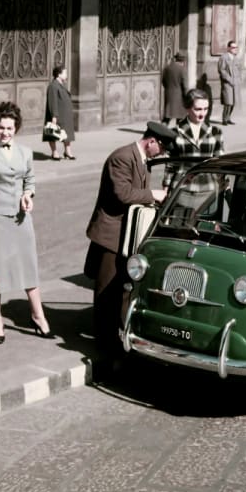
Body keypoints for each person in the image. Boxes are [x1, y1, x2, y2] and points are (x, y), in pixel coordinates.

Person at [84, 122, 176, 376]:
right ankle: (102, 344)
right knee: (106, 292)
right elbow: (122, 194)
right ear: (151, 141)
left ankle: (115, 340)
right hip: (110, 236)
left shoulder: (140, 158)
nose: (162, 153)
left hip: (125, 236)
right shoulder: (122, 157)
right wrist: (153, 194)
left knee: (121, 289)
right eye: (162, 148)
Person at [0, 101, 52, 344]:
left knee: (28, 266)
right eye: (1, 128)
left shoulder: (25, 152)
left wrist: (27, 195)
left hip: (21, 218)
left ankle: (38, 315)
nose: (5, 133)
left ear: (16, 128)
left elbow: (29, 180)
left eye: (9, 128)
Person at [162, 88, 224, 196]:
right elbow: (170, 165)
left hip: (208, 190)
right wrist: (165, 190)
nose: (202, 114)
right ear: (188, 108)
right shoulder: (174, 133)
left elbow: (220, 164)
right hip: (181, 189)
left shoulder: (215, 132)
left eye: (206, 109)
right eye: (198, 109)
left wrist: (225, 187)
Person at [43, 64, 75, 160]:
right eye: (65, 73)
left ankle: (67, 151)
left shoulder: (61, 85)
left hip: (64, 115)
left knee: (67, 133)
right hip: (57, 115)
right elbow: (52, 101)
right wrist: (54, 115)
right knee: (52, 133)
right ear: (59, 74)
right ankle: (54, 152)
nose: (66, 75)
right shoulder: (53, 86)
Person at [161, 51, 188, 126]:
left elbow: (163, 81)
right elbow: (185, 85)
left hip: (168, 93)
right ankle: (178, 130)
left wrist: (168, 88)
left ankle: (162, 129)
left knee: (167, 115)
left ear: (176, 59)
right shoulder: (182, 69)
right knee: (180, 116)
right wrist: (187, 96)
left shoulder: (167, 68)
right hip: (179, 96)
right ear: (183, 60)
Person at [218, 40, 241, 125]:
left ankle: (228, 118)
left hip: (235, 83)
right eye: (233, 47)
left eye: (236, 47)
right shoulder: (224, 57)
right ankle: (224, 119)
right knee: (228, 102)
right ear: (229, 48)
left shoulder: (236, 58)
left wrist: (239, 79)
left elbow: (239, 69)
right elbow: (221, 70)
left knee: (233, 102)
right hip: (227, 83)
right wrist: (228, 79)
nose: (235, 49)